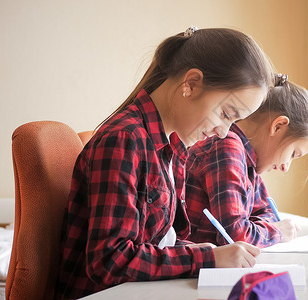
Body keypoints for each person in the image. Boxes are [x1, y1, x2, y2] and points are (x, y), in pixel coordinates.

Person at [54, 26, 275, 300]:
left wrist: (202, 251)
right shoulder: (125, 140)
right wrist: (204, 257)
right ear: (191, 84)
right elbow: (108, 260)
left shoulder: (172, 148)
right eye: (226, 113)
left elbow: (155, 241)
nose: (223, 132)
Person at [185, 74, 308, 248]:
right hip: (199, 263)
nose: (285, 167)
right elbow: (239, 236)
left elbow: (267, 213)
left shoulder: (249, 164)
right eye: (293, 154)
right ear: (278, 126)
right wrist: (278, 231)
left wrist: (265, 226)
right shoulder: (227, 147)